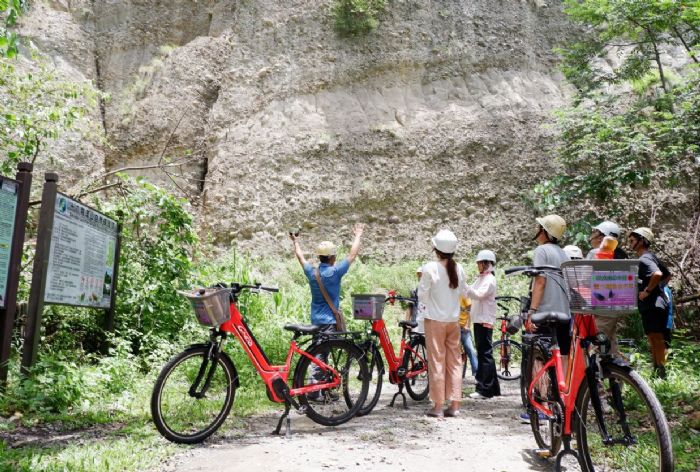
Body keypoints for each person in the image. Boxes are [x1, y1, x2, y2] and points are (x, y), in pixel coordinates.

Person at [290, 224, 365, 395]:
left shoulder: (312, 273)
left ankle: (320, 388)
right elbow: (352, 255)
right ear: (332, 257)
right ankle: (318, 390)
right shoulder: (336, 272)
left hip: (316, 320)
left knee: (319, 353)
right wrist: (358, 235)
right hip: (330, 321)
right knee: (323, 355)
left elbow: (301, 258)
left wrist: (296, 241)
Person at [521, 214, 570, 423]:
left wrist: (532, 311)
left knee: (539, 358)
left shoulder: (541, 251)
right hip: (565, 313)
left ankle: (541, 407)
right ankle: (565, 404)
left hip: (546, 312)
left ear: (544, 231)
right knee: (563, 358)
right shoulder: (564, 253)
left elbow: (539, 282)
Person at [418, 229, 466, 418]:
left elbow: (422, 294)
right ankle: (454, 406)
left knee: (437, 361)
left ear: (436, 248)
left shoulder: (430, 267)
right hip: (453, 322)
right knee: (454, 362)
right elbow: (463, 292)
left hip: (435, 321)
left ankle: (438, 406)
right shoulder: (459, 268)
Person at [628, 227, 671, 379]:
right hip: (655, 304)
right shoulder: (651, 257)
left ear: (642, 241)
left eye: (633, 240)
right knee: (653, 338)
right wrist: (658, 289)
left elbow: (658, 274)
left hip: (653, 304)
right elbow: (667, 275)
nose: (630, 243)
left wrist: (647, 291)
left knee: (656, 339)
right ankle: (657, 371)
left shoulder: (644, 259)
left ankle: (661, 373)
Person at [587, 220, 628, 362]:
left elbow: (586, 277)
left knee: (595, 346)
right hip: (616, 306)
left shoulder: (595, 253)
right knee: (610, 343)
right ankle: (617, 379)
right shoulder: (621, 255)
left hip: (600, 306)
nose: (591, 236)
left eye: (594, 233)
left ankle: (595, 382)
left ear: (601, 237)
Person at [465, 250, 500, 399]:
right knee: (485, 353)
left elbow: (478, 294)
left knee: (484, 354)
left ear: (486, 263)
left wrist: (463, 285)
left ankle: (483, 389)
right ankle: (492, 388)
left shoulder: (489, 280)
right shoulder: (482, 278)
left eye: (480, 263)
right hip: (480, 319)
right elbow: (470, 292)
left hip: (484, 320)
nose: (478, 266)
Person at [459, 295, 478, 379]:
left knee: (470, 349)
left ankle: (477, 374)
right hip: (451, 328)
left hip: (463, 327)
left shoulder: (463, 294)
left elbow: (470, 310)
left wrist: (467, 325)